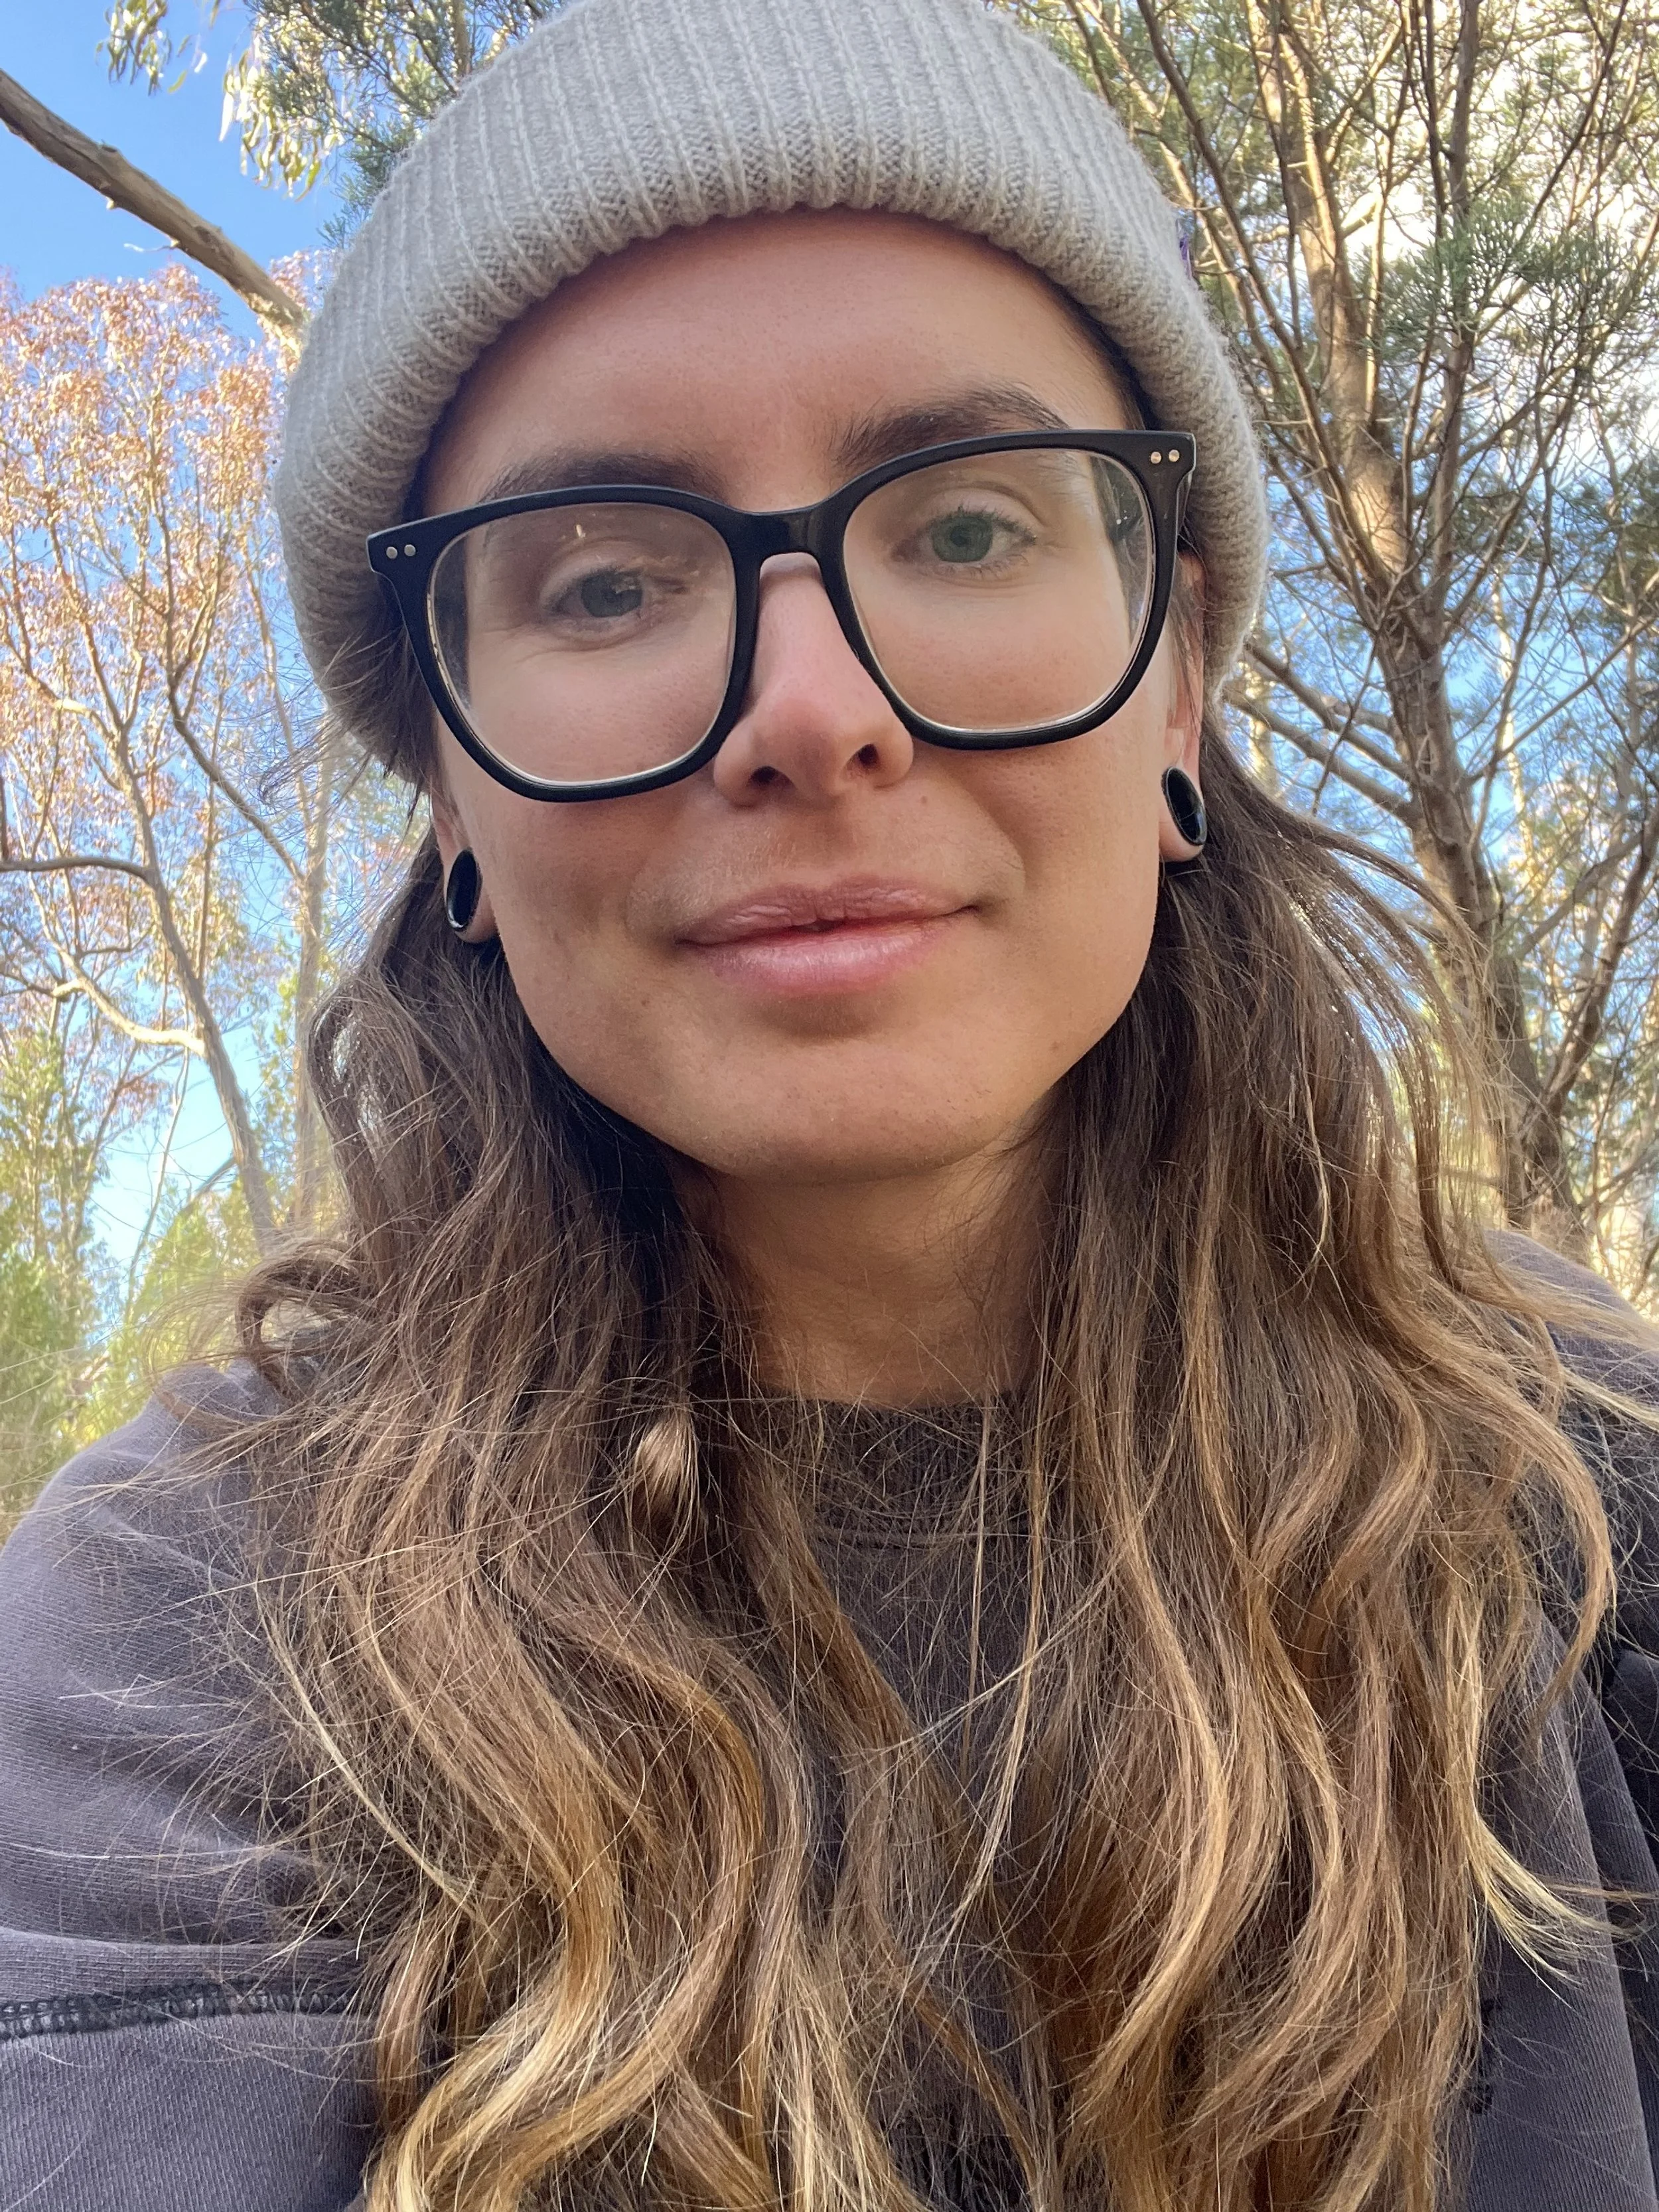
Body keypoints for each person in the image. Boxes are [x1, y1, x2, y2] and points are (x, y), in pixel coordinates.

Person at [4, 1, 1659, 2207]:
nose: (806, 711)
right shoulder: (164, 1643)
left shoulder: (1589, 1508)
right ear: (450, 810)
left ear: (1174, 680)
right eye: (603, 575)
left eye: (966, 530)